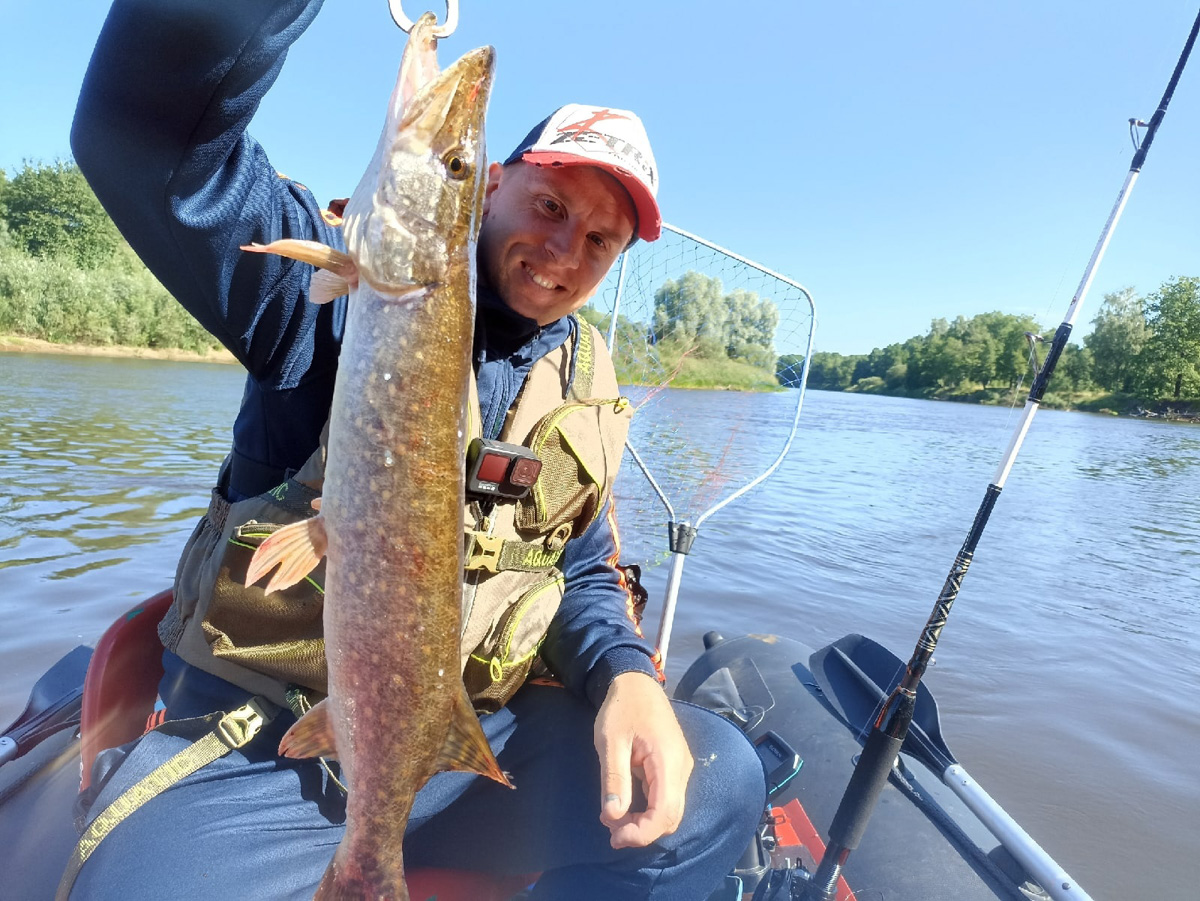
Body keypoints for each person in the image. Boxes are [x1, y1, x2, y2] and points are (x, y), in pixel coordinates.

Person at [66, 2, 766, 899]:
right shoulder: (330, 291)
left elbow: (579, 566)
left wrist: (628, 677)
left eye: (600, 239)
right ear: (490, 186)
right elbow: (144, 133)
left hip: (455, 747)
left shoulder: (584, 375)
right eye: (548, 205)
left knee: (718, 784)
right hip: (261, 748)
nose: (563, 251)